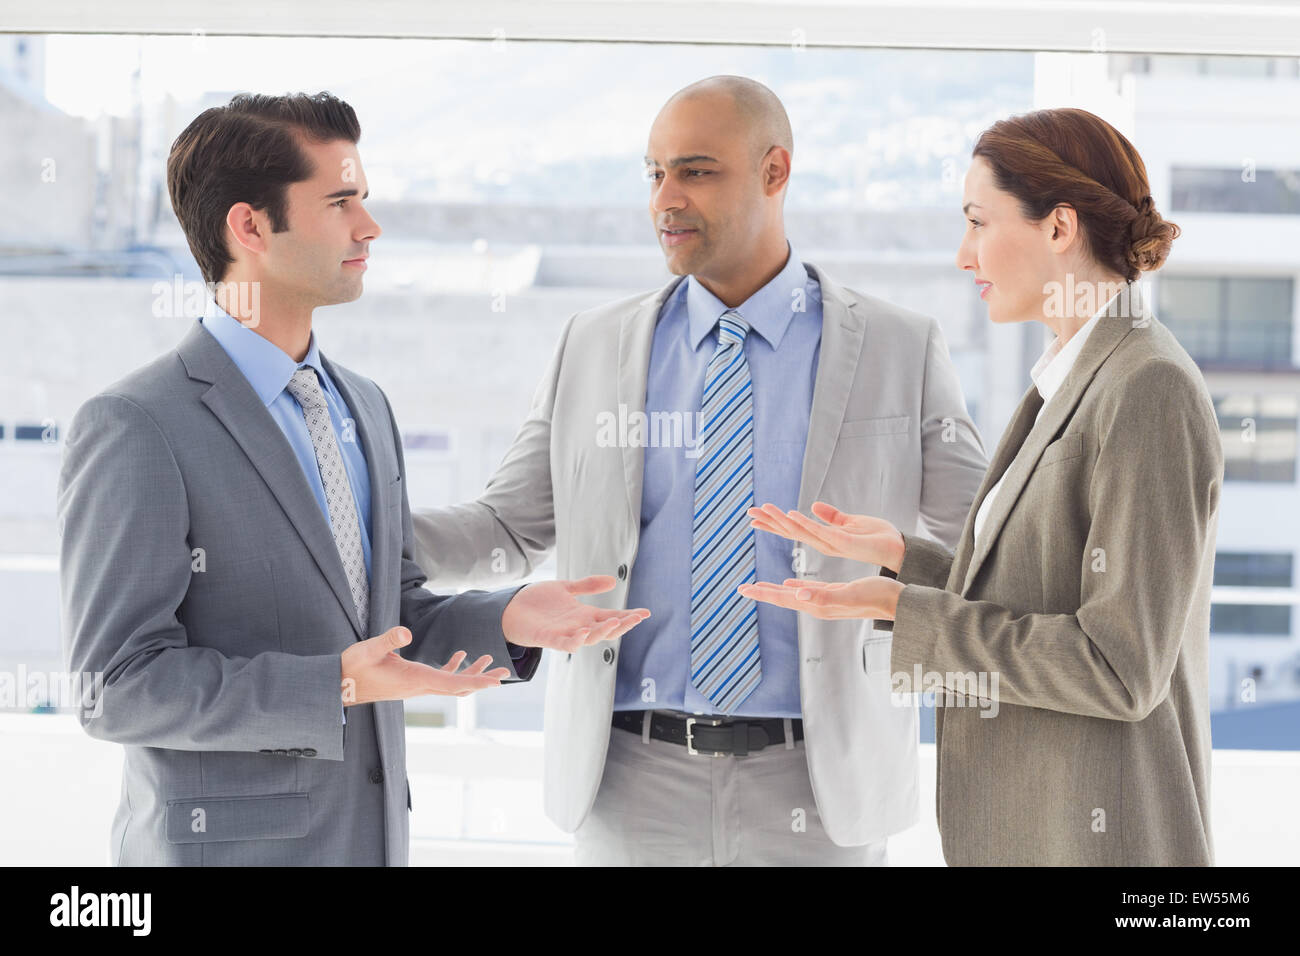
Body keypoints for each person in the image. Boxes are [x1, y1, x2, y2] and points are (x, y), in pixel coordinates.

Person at [57, 92, 648, 866]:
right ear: (250, 227)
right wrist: (331, 684)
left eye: (363, 200)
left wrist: (504, 621)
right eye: (340, 203)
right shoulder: (138, 424)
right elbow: (118, 687)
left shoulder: (362, 406)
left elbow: (387, 613)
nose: (368, 228)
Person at [411, 76, 988, 865]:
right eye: (654, 174)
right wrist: (353, 525)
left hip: (820, 790)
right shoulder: (593, 344)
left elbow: (983, 553)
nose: (665, 200)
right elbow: (509, 528)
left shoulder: (898, 346)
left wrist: (897, 593)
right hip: (629, 784)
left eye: (696, 171)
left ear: (775, 171)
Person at [740, 107, 1222, 866]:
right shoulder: (1071, 378)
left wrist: (911, 612)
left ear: (1059, 227)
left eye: (977, 221)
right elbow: (1046, 590)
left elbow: (1121, 667)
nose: (965, 255)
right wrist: (906, 561)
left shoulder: (1146, 386)